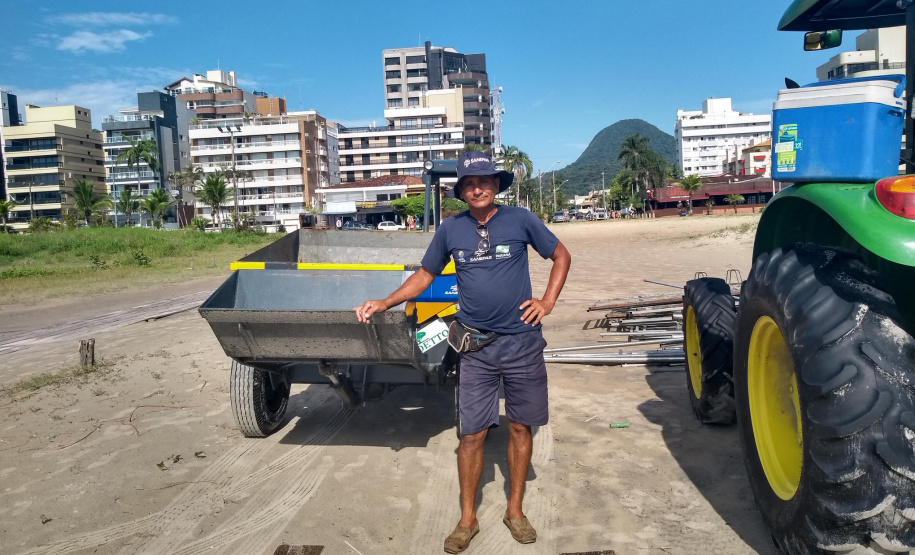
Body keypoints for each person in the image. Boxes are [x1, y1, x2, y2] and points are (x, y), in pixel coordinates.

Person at [354, 152, 571, 553]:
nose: (478, 187)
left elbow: (561, 255)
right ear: (461, 190)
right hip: (475, 346)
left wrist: (547, 301)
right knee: (470, 435)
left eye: (485, 179)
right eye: (470, 182)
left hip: (522, 342)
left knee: (521, 427)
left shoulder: (520, 219)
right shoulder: (451, 229)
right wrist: (386, 302)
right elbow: (425, 275)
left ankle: (515, 510)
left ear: (496, 183)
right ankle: (467, 518)